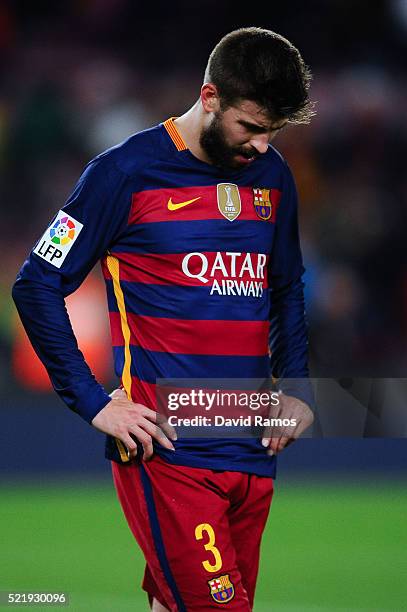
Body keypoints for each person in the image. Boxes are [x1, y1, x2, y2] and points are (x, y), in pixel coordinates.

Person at [12, 27, 315, 611]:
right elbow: (36, 283)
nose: (260, 145)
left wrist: (297, 384)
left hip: (252, 443)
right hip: (168, 447)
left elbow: (285, 288)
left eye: (273, 131)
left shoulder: (273, 177)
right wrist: (94, 400)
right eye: (250, 127)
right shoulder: (122, 175)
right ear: (209, 97)